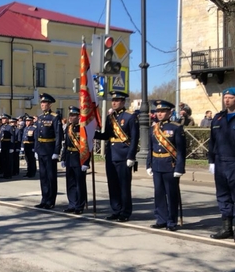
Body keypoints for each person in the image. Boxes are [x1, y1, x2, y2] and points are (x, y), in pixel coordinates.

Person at [94, 91, 140, 222]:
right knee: (112, 185)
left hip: (124, 156)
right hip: (111, 155)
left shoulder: (130, 116)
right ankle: (116, 210)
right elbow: (107, 135)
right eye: (113, 100)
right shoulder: (111, 118)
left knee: (124, 186)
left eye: (117, 100)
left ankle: (125, 212)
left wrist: (131, 156)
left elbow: (135, 138)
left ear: (123, 102)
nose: (114, 103)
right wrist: (92, 133)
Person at [146, 100, 186, 232]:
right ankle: (161, 219)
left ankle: (171, 221)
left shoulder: (176, 127)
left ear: (170, 112)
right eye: (158, 111)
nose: (160, 114)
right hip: (157, 165)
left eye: (163, 111)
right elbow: (150, 148)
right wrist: (149, 164)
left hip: (170, 165)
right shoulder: (154, 128)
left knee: (171, 194)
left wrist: (179, 168)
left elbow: (181, 150)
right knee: (159, 194)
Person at [208, 88, 235, 240]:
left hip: (233, 161)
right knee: (223, 196)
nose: (227, 100)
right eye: (225, 97)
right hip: (220, 162)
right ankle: (226, 228)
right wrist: (211, 160)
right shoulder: (218, 118)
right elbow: (212, 141)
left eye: (230, 97)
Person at [34, 93, 63, 209]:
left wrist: (57, 151)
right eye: (41, 103)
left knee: (51, 176)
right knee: (43, 176)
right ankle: (44, 199)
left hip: (50, 150)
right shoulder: (40, 118)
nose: (42, 105)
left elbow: (58, 135)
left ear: (50, 104)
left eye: (44, 103)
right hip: (41, 150)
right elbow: (37, 135)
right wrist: (36, 149)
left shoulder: (55, 117)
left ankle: (51, 200)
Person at [60, 106, 89, 214]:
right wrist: (63, 158)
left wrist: (86, 162)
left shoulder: (83, 128)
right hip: (69, 157)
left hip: (79, 158)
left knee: (79, 183)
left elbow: (87, 146)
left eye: (73, 116)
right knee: (70, 183)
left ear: (78, 117)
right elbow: (66, 144)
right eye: (70, 115)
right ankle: (71, 204)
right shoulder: (69, 128)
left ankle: (79, 206)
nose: (71, 118)